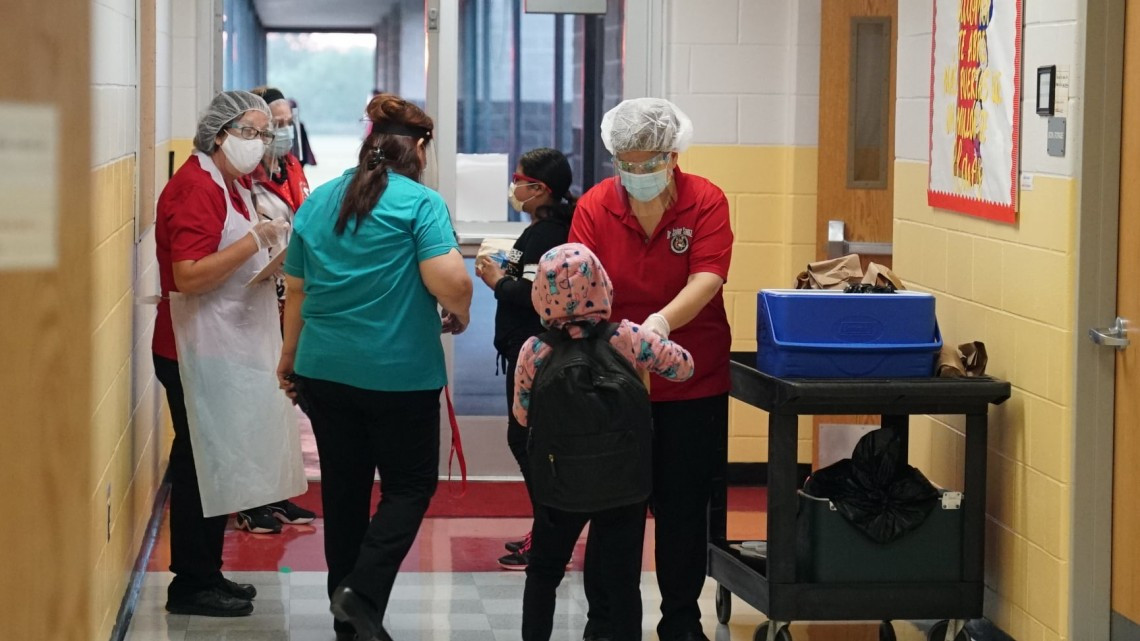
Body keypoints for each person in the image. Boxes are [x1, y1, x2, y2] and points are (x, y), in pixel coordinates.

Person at [277, 93, 472, 641]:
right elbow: (452, 281)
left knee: (343, 494)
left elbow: (296, 289)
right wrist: (460, 312)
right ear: (421, 148)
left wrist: (289, 358)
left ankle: (351, 625)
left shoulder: (319, 202)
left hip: (324, 370)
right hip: (399, 376)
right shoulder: (420, 203)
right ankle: (361, 595)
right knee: (409, 489)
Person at [568, 98, 733, 641]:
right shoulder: (595, 205)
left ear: (672, 155)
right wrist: (617, 342)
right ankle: (610, 623)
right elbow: (578, 283)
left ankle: (682, 621)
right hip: (612, 380)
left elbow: (707, 277)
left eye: (648, 163)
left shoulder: (705, 200)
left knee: (684, 506)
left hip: (691, 377)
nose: (638, 175)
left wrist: (659, 326)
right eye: (627, 164)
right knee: (614, 507)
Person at [152, 90, 308, 617]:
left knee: (212, 464)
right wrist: (255, 241)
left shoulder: (233, 184)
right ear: (218, 133)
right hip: (192, 348)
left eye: (266, 135)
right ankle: (190, 585)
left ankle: (206, 572)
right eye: (250, 133)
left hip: (220, 344)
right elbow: (188, 276)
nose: (260, 143)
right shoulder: (195, 187)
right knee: (200, 467)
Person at [513, 243, 694, 641]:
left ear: (540, 296)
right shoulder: (627, 338)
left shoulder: (535, 351)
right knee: (622, 582)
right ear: (602, 286)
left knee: (543, 572)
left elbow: (523, 415)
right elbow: (683, 367)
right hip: (623, 484)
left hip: (558, 485)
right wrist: (654, 331)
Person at [474, 147, 576, 570]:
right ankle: (546, 529)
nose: (513, 187)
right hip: (523, 351)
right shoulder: (539, 229)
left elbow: (539, 297)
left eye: (518, 179)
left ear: (539, 188)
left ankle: (551, 536)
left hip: (535, 354)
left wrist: (497, 280)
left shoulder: (549, 233)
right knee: (530, 441)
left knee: (530, 442)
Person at [224, 85, 317, 535]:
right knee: (253, 403)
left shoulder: (292, 168)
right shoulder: (244, 181)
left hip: (287, 299)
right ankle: (248, 500)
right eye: (271, 126)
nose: (281, 132)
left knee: (279, 405)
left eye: (284, 123)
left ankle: (275, 492)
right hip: (255, 301)